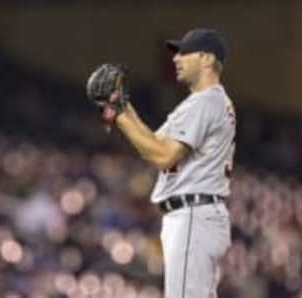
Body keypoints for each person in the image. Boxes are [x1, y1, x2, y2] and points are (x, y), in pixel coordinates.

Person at [101, 28, 236, 298]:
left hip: (194, 214)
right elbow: (152, 147)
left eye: (185, 53)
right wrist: (122, 108)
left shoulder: (207, 102)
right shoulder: (200, 103)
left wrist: (119, 113)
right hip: (194, 214)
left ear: (207, 59)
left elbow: (163, 156)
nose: (176, 58)